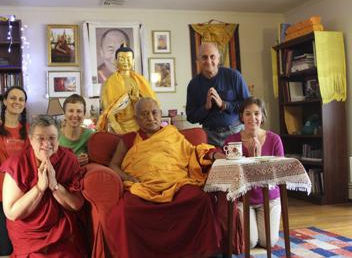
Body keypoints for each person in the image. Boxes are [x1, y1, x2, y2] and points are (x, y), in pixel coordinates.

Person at [105, 97, 220, 258]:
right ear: (137, 119)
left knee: (200, 199)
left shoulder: (172, 134)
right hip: (143, 186)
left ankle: (199, 253)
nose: (150, 118)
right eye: (144, 115)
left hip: (176, 183)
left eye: (154, 113)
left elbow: (192, 152)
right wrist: (127, 177)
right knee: (124, 211)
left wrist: (212, 154)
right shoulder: (129, 139)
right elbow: (113, 165)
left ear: (160, 115)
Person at [1, 115, 87, 257]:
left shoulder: (68, 159)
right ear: (30, 139)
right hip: (28, 234)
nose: (46, 144)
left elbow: (77, 204)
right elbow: (11, 213)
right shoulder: (17, 164)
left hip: (60, 231)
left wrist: (55, 186)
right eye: (40, 138)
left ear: (58, 139)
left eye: (52, 138)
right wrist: (39, 188)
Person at [224, 96, 284, 248]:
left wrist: (257, 158)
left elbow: (279, 174)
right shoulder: (232, 141)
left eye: (257, 113)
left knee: (267, 243)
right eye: (248, 113)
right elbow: (231, 175)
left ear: (262, 116)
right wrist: (249, 157)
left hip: (269, 199)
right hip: (244, 200)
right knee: (250, 242)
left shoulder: (274, 139)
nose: (253, 118)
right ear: (241, 117)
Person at [0, 86, 28, 256]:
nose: (17, 102)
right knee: (5, 249)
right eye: (13, 98)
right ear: (4, 101)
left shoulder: (28, 129)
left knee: (20, 245)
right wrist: (12, 194)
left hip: (22, 194)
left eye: (21, 99)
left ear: (24, 105)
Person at [186, 42, 250, 147]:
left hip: (235, 132)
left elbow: (247, 105)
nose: (209, 61)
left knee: (237, 163)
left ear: (218, 59)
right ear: (198, 61)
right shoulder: (193, 85)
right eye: (204, 57)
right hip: (208, 136)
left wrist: (224, 105)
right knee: (209, 164)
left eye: (212, 57)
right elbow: (191, 117)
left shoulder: (234, 76)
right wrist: (206, 108)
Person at [97, 44, 158, 135]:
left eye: (128, 59)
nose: (125, 62)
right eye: (122, 59)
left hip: (139, 124)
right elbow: (107, 109)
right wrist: (115, 125)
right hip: (118, 124)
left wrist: (138, 101)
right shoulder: (108, 83)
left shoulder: (140, 81)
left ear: (133, 61)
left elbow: (150, 104)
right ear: (115, 61)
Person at [59, 94, 94, 167]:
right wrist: (74, 161)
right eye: (71, 111)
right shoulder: (55, 136)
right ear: (64, 114)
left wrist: (88, 159)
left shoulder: (90, 135)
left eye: (79, 111)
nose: (75, 115)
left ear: (84, 114)